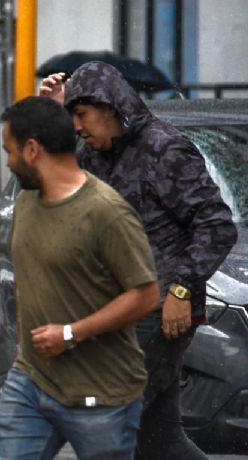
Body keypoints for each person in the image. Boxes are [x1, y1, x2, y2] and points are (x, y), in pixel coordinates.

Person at [41, 63, 237, 459]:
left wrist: (182, 288)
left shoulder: (164, 149)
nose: (78, 126)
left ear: (109, 106)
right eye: (73, 117)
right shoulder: (98, 155)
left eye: (82, 115)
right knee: (159, 439)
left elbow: (217, 225)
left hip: (157, 308)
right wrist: (54, 115)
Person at [0, 97, 160, 459]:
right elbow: (29, 274)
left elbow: (145, 295)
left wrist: (71, 333)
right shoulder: (25, 202)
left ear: (32, 149)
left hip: (102, 393)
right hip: (31, 380)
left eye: (10, 151)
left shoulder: (106, 212)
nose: (7, 162)